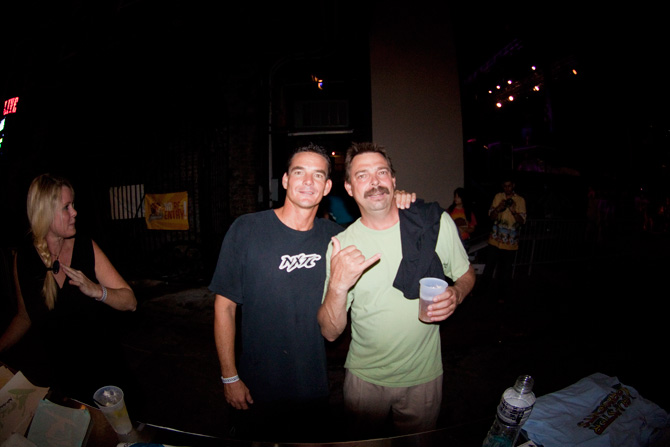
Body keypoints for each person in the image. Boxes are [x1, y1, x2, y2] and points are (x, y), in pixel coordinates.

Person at [209, 143, 415, 442]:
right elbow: (224, 307)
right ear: (285, 180)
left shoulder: (338, 239)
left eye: (318, 175)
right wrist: (229, 376)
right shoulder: (247, 229)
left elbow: (381, 225)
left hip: (312, 385)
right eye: (299, 172)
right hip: (255, 384)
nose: (308, 181)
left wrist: (398, 199)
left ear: (327, 186)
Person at [318, 142, 475, 438]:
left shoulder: (432, 223)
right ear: (349, 188)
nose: (375, 182)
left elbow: (466, 273)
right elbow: (330, 332)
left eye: (382, 172)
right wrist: (338, 286)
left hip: (424, 378)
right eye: (362, 175)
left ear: (393, 180)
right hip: (365, 380)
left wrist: (457, 293)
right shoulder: (342, 246)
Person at [0, 174, 137, 404]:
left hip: (103, 373)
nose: (75, 212)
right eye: (66, 207)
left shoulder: (86, 247)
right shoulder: (23, 260)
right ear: (45, 213)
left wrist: (97, 290)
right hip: (58, 381)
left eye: (73, 205)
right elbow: (25, 316)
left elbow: (130, 301)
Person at [481, 175, 526, 301]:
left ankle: (502, 295)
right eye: (505, 186)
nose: (507, 189)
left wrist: (513, 210)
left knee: (505, 270)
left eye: (509, 186)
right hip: (495, 240)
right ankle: (482, 291)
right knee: (489, 267)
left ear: (513, 186)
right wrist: (498, 208)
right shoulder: (498, 197)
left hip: (510, 243)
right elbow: (491, 217)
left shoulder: (520, 200)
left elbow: (522, 221)